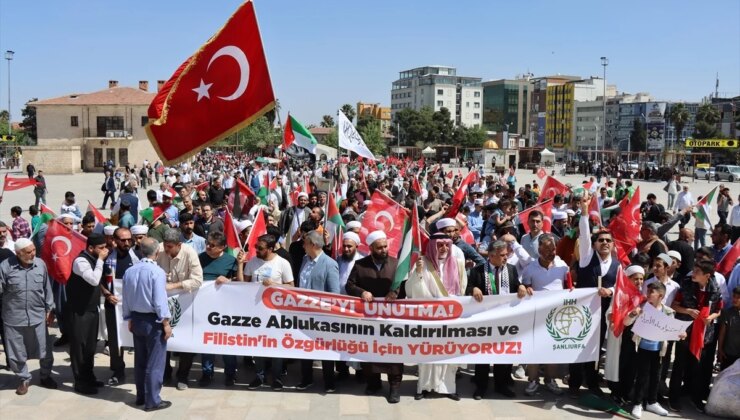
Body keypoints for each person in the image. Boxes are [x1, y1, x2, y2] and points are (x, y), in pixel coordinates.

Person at [406, 233, 467, 401]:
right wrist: (417, 274)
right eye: (440, 245)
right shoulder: (422, 263)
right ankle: (423, 387)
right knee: (427, 354)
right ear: (433, 245)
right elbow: (411, 293)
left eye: (447, 244)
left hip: (450, 319)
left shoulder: (458, 264)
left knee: (448, 353)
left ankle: (448, 388)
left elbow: (462, 290)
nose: (444, 248)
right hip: (429, 319)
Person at [345, 231, 403, 404]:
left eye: (385, 246)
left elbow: (405, 284)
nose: (384, 250)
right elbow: (350, 285)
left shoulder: (396, 264)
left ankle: (394, 387)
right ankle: (374, 383)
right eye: (380, 247)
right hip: (368, 318)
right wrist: (361, 292)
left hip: (391, 319)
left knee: (393, 353)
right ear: (371, 248)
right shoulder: (360, 265)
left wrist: (395, 292)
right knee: (370, 351)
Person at [571, 193, 619, 398]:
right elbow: (584, 233)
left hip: (602, 316)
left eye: (608, 240)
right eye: (601, 240)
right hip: (582, 314)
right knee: (577, 347)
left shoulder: (618, 266)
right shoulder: (587, 259)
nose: (605, 243)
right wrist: (584, 212)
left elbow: (622, 288)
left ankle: (592, 383)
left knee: (595, 350)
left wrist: (611, 291)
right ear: (595, 244)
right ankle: (574, 384)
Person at [467, 240, 526, 399]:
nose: (506, 258)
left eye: (506, 254)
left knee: (503, 354)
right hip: (484, 320)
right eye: (502, 255)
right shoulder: (478, 271)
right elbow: (468, 289)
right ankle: (481, 386)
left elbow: (516, 286)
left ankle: (501, 385)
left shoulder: (511, 270)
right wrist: (474, 289)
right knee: (483, 355)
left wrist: (521, 286)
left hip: (504, 320)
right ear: (492, 256)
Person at [0, 238, 58, 395]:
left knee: (44, 349)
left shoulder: (41, 264)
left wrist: (50, 309)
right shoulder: (5, 267)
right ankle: (23, 379)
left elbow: (47, 287)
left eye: (34, 250)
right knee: (16, 351)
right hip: (14, 317)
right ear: (18, 253)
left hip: (37, 315)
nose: (33, 253)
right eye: (29, 252)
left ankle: (45, 376)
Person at [121, 237, 172, 412]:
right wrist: (166, 322)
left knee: (140, 360)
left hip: (136, 319)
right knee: (155, 363)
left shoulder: (130, 271)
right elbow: (159, 301)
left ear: (141, 251)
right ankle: (153, 401)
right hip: (153, 321)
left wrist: (129, 318)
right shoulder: (156, 272)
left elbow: (125, 298)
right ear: (157, 253)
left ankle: (141, 396)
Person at [669, 259, 723, 412]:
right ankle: (674, 398)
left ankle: (696, 398)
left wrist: (710, 318)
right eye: (694, 270)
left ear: (707, 275)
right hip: (684, 331)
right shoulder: (686, 285)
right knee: (679, 365)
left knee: (699, 367)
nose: (693, 273)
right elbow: (674, 305)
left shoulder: (715, 289)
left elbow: (718, 310)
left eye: (697, 272)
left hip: (703, 333)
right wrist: (688, 311)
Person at [625, 282, 685, 419]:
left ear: (661, 296)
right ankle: (638, 403)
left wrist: (681, 334)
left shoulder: (668, 312)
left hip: (659, 350)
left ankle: (652, 401)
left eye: (651, 292)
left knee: (656, 376)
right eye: (648, 291)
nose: (648, 294)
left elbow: (673, 331)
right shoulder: (641, 308)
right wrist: (633, 314)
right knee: (641, 376)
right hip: (642, 348)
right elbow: (626, 323)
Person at [245, 234, 293, 390]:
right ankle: (259, 376)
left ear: (271, 249)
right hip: (256, 313)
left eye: (260, 248)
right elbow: (242, 285)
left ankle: (277, 377)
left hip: (275, 313)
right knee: (258, 345)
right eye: (256, 247)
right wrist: (240, 264)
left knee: (275, 346)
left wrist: (274, 285)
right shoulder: (252, 262)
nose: (256, 250)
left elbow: (292, 287)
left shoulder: (282, 263)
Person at [157, 227, 203, 390]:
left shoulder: (190, 253)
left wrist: (174, 286)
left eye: (170, 246)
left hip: (185, 305)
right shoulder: (160, 250)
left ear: (179, 245)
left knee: (185, 343)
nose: (166, 249)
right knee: (163, 339)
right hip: (163, 305)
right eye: (165, 245)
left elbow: (198, 280)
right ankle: (165, 373)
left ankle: (183, 375)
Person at [520, 234, 566, 396]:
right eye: (546, 249)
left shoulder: (562, 266)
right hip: (536, 317)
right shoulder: (530, 268)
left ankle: (550, 380)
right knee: (535, 350)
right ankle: (533, 381)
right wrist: (527, 289)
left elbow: (569, 286)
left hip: (557, 318)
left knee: (552, 351)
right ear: (539, 249)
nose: (551, 252)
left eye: (553, 248)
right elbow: (524, 288)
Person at [197, 231, 244, 387]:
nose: (208, 248)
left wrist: (228, 280)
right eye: (207, 244)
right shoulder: (200, 258)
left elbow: (240, 283)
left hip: (225, 310)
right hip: (204, 308)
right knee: (206, 341)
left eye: (212, 245)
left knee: (226, 342)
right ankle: (207, 373)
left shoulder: (230, 261)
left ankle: (230, 374)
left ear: (223, 247)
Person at [296, 231, 340, 392]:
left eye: (305, 243)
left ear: (313, 245)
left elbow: (334, 292)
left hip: (322, 315)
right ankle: (306, 378)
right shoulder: (304, 260)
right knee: (305, 345)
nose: (302, 246)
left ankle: (329, 382)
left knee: (325, 348)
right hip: (303, 313)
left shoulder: (329, 264)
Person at [66, 233, 109, 394]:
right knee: (79, 347)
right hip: (79, 311)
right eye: (101, 248)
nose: (104, 251)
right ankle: (80, 382)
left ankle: (89, 377)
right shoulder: (81, 261)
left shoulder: (96, 259)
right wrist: (100, 261)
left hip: (91, 310)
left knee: (90, 346)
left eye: (105, 247)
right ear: (91, 248)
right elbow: (93, 280)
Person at [101, 227, 140, 385]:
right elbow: (99, 280)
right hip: (113, 305)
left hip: (136, 305)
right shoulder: (106, 258)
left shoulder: (138, 255)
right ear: (114, 241)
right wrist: (106, 294)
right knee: (115, 339)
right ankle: (118, 370)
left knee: (138, 338)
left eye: (129, 239)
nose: (127, 243)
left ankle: (140, 370)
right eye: (122, 240)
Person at [717, 286, 740, 371]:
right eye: (734, 296)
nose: (735, 299)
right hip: (728, 353)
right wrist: (720, 349)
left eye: (738, 298)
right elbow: (722, 333)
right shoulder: (728, 313)